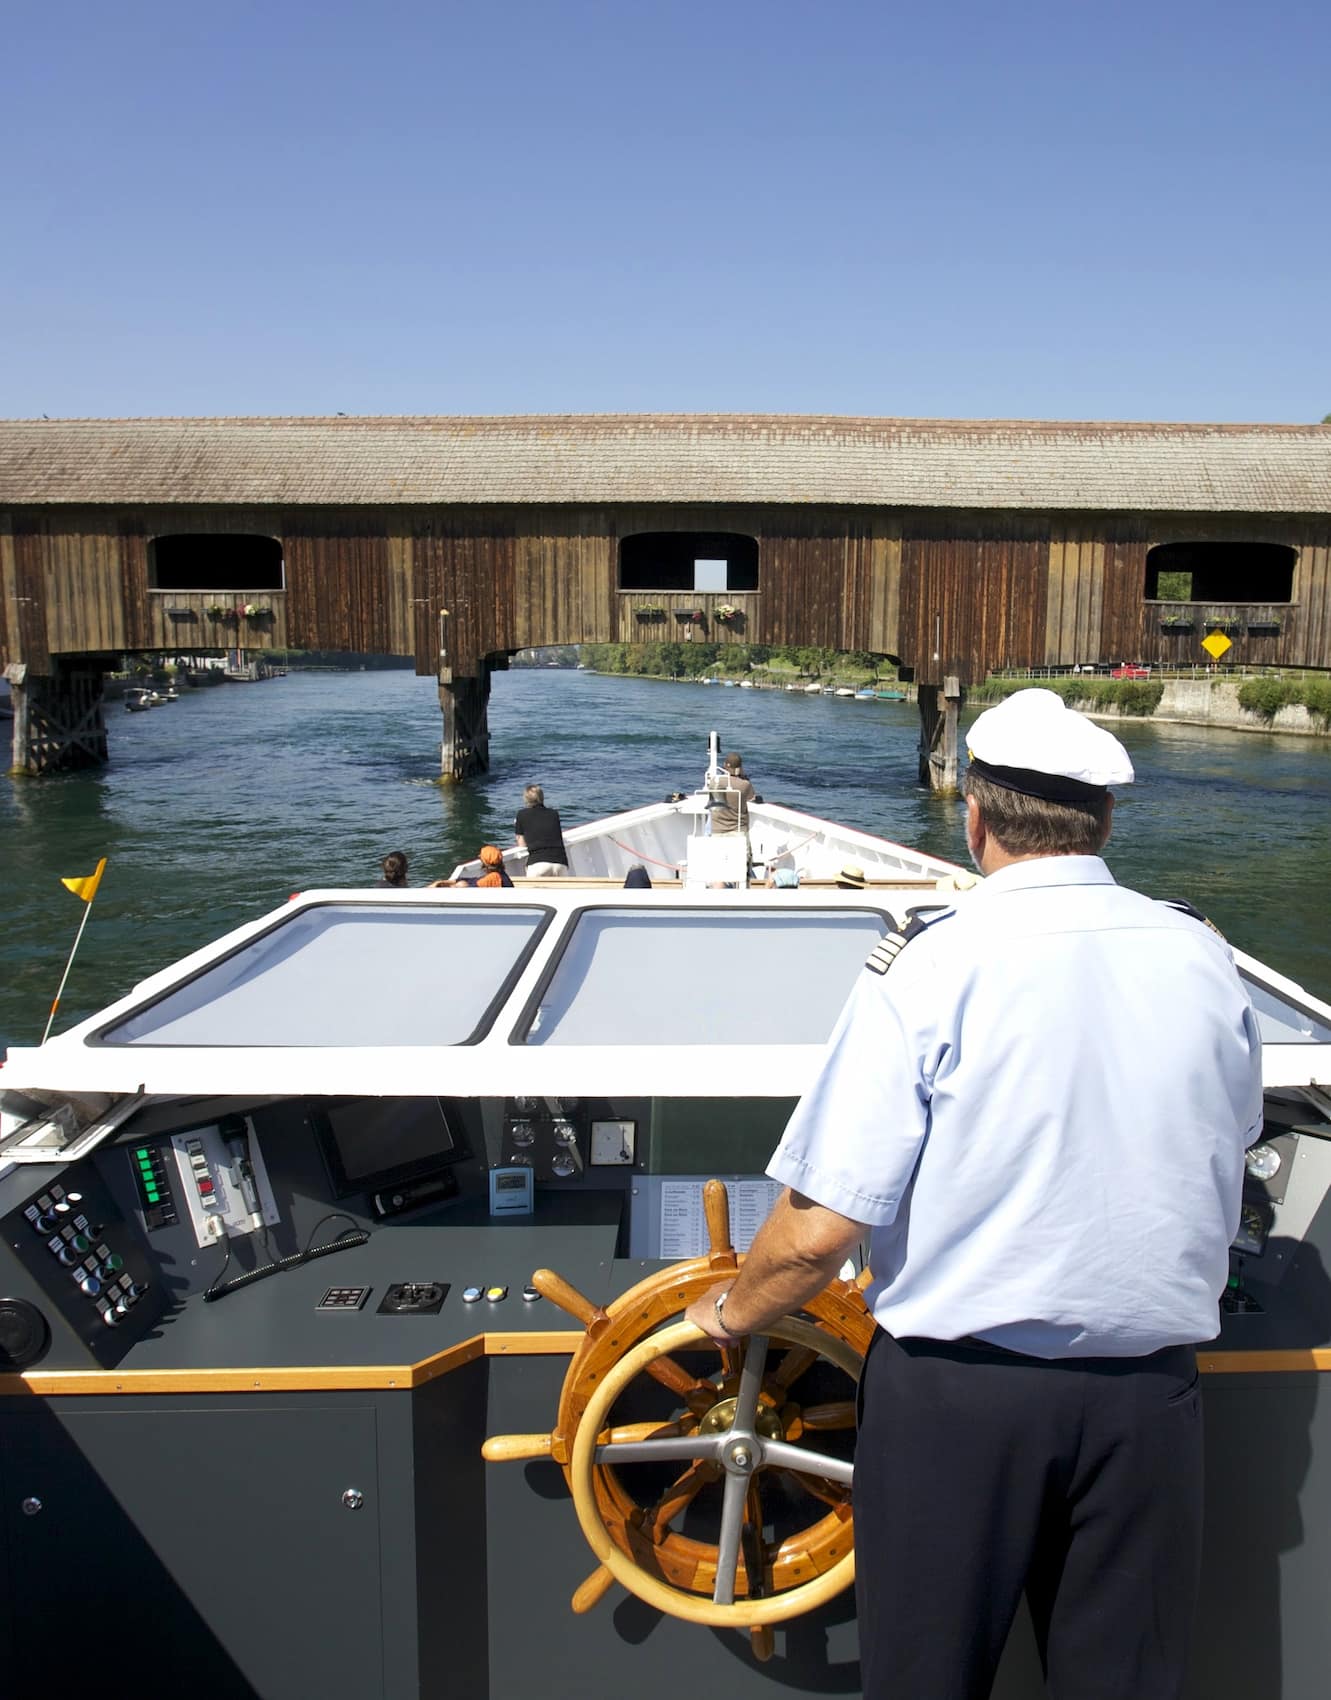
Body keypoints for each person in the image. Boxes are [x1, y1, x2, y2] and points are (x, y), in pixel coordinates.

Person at [684, 688, 1262, 1700]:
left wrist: (730, 1312)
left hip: (958, 1403)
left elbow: (817, 1231)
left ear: (975, 816)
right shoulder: (1203, 956)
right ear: (1104, 820)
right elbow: (1232, 1135)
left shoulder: (930, 961)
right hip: (1146, 1401)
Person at [515, 784, 569, 876]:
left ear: (526, 799)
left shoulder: (521, 814)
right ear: (542, 797)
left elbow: (521, 844)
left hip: (538, 862)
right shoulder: (554, 814)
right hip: (560, 862)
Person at [707, 752, 755, 836]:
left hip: (717, 831)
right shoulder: (745, 784)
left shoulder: (714, 782)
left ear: (724, 765)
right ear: (740, 768)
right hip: (738, 830)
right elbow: (751, 798)